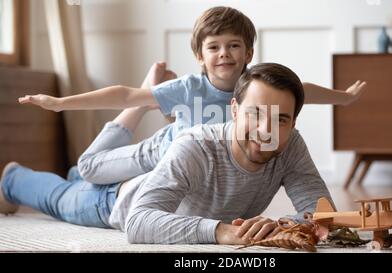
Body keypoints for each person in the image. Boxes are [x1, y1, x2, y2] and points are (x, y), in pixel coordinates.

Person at [18, 6, 366, 185]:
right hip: (161, 153)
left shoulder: (256, 87)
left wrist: (344, 98)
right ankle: (152, 88)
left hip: (197, 169)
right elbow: (124, 94)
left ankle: (153, 97)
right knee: (89, 171)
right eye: (213, 47)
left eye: (234, 46)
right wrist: (60, 103)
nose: (224, 53)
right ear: (200, 56)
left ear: (248, 53)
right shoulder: (188, 87)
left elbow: (301, 89)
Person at [1, 63, 333, 245]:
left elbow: (321, 214)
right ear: (234, 110)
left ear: (292, 122)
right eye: (255, 114)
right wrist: (221, 231)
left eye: (280, 119)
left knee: (80, 174)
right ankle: (13, 177)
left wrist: (281, 226)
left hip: (155, 176)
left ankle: (77, 172)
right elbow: (138, 222)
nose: (265, 130)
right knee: (60, 198)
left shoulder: (292, 146)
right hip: (116, 201)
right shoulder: (197, 145)